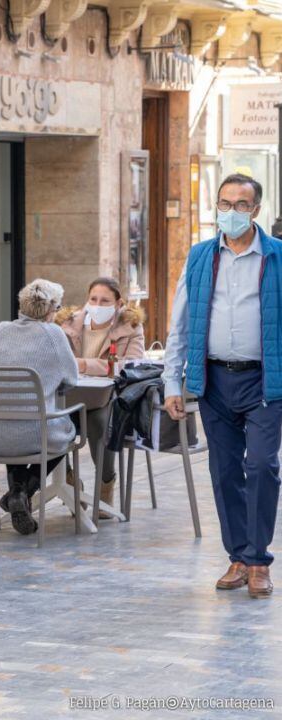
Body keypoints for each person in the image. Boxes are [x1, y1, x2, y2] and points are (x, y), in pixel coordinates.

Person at [163, 173, 282, 599]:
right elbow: (178, 326)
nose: (231, 212)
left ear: (256, 210)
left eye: (241, 205)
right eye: (225, 203)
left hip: (264, 381)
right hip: (213, 380)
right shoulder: (198, 258)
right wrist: (171, 383)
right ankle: (239, 558)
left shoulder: (277, 257)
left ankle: (258, 559)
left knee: (264, 466)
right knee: (225, 470)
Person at [0, 279, 79, 535]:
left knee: (14, 420)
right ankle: (25, 490)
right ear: (51, 309)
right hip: (31, 435)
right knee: (69, 430)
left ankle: (17, 492)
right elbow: (71, 381)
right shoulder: (53, 334)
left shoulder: (0, 330)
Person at [56, 277, 145, 514]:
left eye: (105, 300)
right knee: (49, 421)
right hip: (69, 396)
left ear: (118, 304)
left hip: (109, 398)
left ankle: (105, 485)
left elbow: (130, 365)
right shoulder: (66, 323)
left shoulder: (130, 327)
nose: (97, 304)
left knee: (99, 422)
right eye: (93, 299)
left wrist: (84, 365)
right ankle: (69, 482)